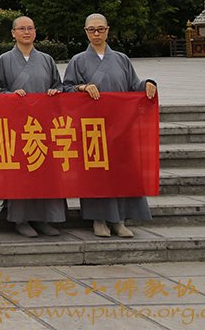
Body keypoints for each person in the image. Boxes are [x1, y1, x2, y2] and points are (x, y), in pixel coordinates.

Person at [64, 13, 158, 238]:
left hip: (121, 126)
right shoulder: (78, 60)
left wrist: (147, 84)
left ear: (108, 30)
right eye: (91, 30)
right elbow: (66, 89)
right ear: (85, 32)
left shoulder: (122, 59)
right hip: (92, 128)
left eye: (100, 29)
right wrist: (82, 87)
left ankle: (119, 219)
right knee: (96, 174)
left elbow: (132, 85)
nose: (96, 34)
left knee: (120, 172)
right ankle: (98, 219)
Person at [0, 16, 68, 238]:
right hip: (16, 127)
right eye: (21, 29)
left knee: (44, 171)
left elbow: (58, 86)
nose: (26, 32)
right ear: (13, 33)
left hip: (42, 126)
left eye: (30, 28)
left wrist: (55, 92)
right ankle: (20, 219)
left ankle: (44, 218)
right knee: (20, 173)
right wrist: (10, 96)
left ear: (35, 32)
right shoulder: (3, 60)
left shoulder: (46, 59)